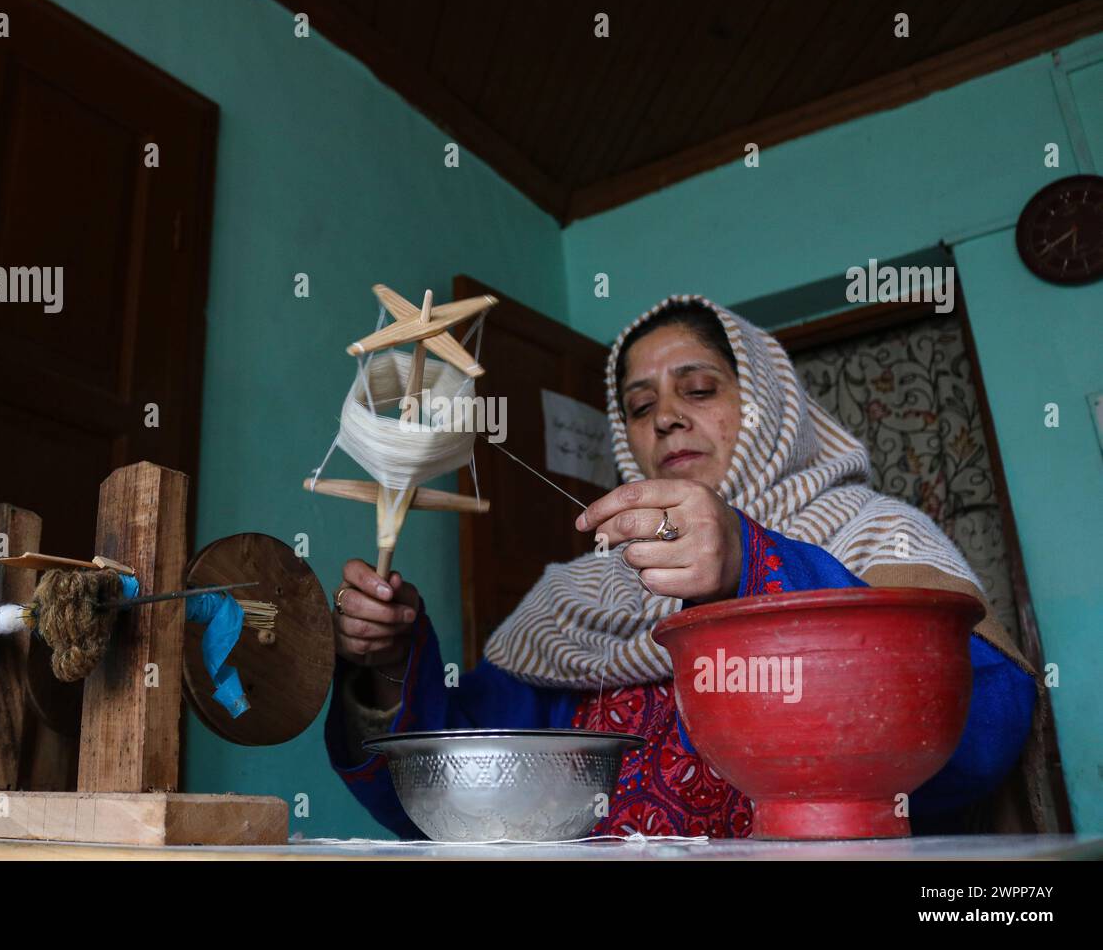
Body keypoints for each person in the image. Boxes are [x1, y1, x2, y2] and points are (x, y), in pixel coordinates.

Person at [323, 294, 1044, 839]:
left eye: (698, 389)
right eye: (640, 406)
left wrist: (748, 562)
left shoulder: (873, 536)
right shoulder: (576, 602)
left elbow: (980, 736)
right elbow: (465, 793)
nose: (665, 417)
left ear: (765, 406)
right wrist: (385, 669)